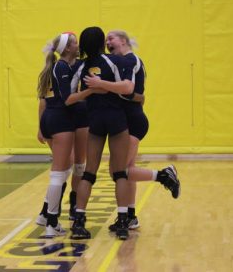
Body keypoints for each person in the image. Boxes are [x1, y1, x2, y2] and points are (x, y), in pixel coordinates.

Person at [84, 30, 180, 232]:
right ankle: (131, 216)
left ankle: (163, 175)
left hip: (133, 121)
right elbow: (134, 94)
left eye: (111, 38)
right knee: (126, 170)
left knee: (119, 171)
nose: (108, 42)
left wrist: (100, 84)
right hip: (127, 119)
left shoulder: (128, 61)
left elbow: (128, 89)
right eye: (106, 39)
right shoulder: (120, 62)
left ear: (124, 41)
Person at [70, 26, 136, 240]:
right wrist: (104, 87)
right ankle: (123, 222)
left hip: (95, 119)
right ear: (101, 44)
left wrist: (91, 90)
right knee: (120, 172)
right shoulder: (113, 61)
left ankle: (78, 222)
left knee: (89, 172)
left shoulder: (80, 66)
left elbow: (72, 95)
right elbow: (127, 88)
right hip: (116, 118)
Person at [36, 32, 92, 237]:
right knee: (59, 173)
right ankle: (51, 222)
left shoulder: (64, 66)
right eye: (75, 42)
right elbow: (67, 99)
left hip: (55, 118)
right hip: (61, 118)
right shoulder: (61, 67)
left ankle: (48, 216)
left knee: (64, 170)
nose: (78, 45)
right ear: (67, 48)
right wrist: (92, 90)